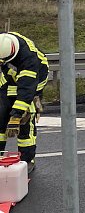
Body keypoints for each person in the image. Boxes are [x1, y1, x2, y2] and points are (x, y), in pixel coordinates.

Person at [0, 32, 49, 173]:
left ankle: (27, 161)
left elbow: (26, 90)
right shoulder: (3, 41)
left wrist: (16, 116)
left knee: (25, 122)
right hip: (9, 80)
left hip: (34, 83)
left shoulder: (29, 60)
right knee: (1, 116)